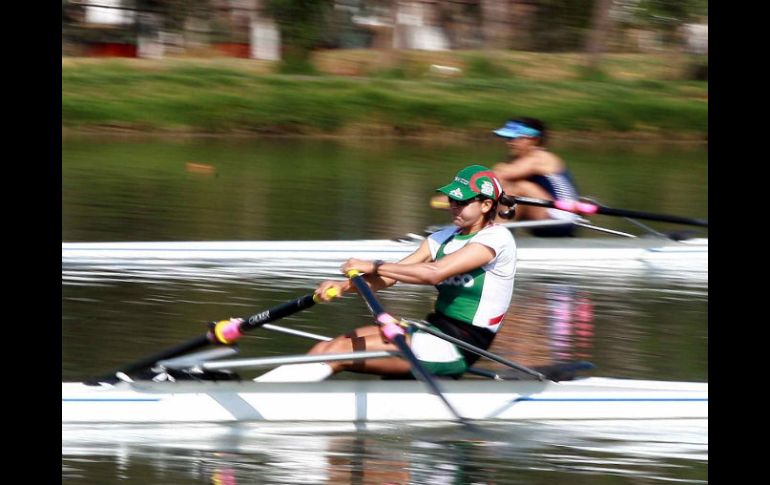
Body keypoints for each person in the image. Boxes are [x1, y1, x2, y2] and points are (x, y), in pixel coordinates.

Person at [256, 165, 516, 382]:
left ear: (485, 205)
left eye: (461, 202)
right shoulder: (442, 238)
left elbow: (433, 273)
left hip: (459, 346)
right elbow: (391, 277)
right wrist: (343, 286)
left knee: (339, 353)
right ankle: (259, 389)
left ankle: (263, 400)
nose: (453, 207)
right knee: (328, 347)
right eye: (451, 199)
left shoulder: (497, 238)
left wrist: (374, 264)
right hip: (431, 330)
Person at [491, 117, 581, 237]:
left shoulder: (540, 158)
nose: (509, 142)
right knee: (502, 189)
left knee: (517, 187)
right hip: (546, 216)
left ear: (533, 139)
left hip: (562, 220)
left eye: (515, 138)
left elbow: (497, 176)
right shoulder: (521, 160)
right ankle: (491, 234)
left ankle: (493, 239)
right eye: (508, 138)